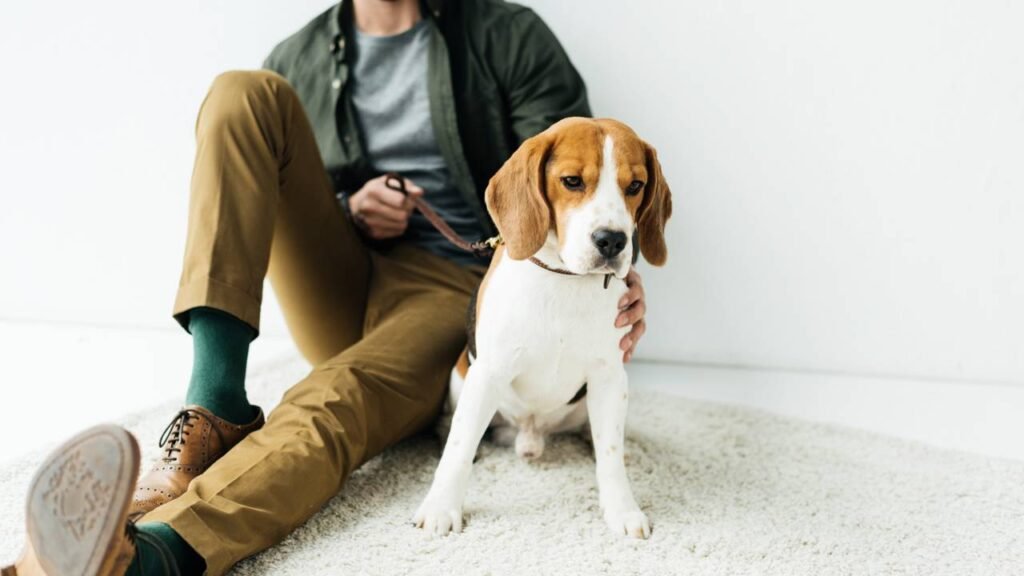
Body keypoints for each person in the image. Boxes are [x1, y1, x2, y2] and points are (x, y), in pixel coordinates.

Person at [1, 0, 649, 574]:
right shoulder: (299, 57)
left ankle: (158, 556)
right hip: (339, 273)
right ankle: (214, 405)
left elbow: (585, 176)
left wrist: (615, 278)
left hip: (455, 281)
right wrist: (349, 207)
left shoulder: (507, 35)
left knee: (338, 394)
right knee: (241, 93)